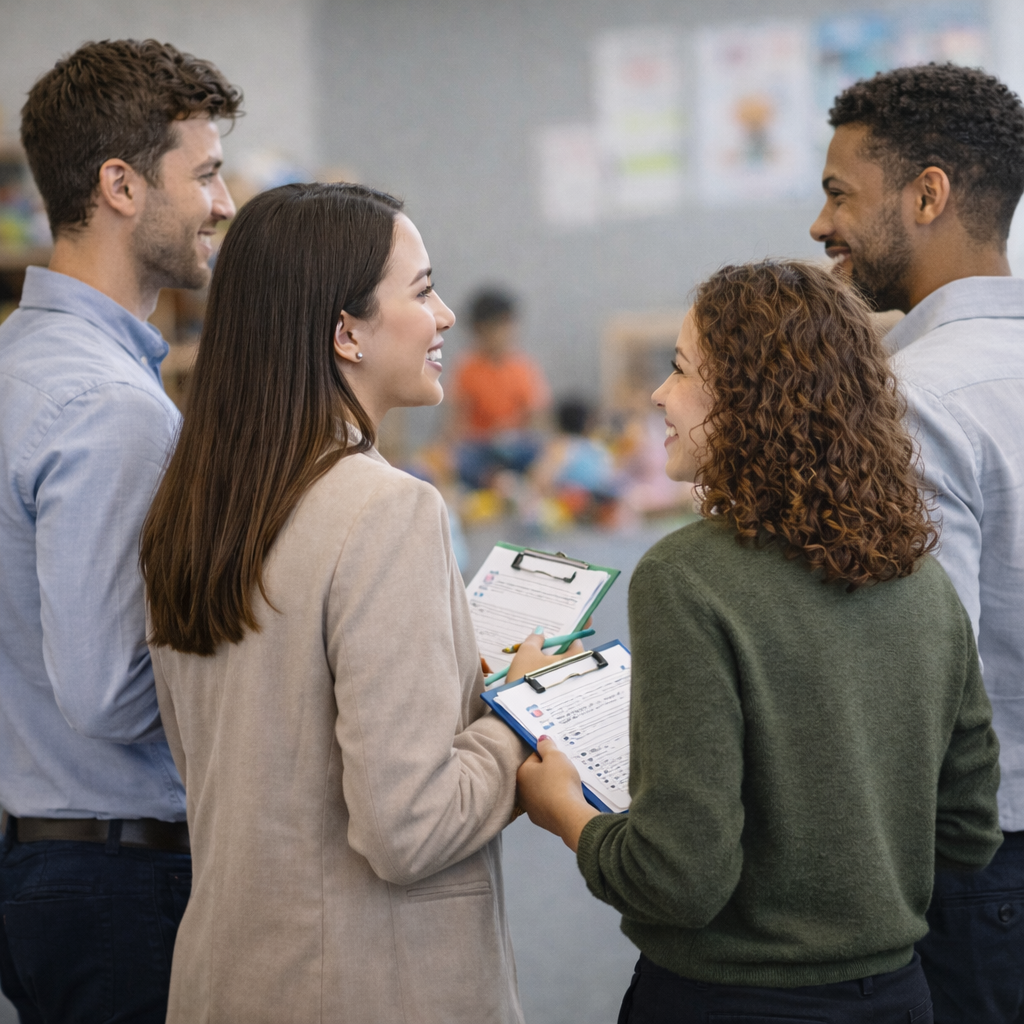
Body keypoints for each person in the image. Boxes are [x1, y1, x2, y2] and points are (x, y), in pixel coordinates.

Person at [515, 260, 1003, 1024]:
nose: (656, 395)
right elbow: (970, 830)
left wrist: (564, 811)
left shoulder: (686, 578)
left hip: (728, 1002)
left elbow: (678, 879)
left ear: (749, 401)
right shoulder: (923, 581)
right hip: (902, 997)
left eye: (679, 371)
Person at [140, 182, 576, 1024]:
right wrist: (516, 712)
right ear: (346, 332)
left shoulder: (194, 506)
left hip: (227, 973)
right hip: (369, 984)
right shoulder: (388, 511)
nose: (445, 316)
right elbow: (407, 830)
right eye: (420, 292)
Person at [0, 40, 239, 1023]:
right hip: (117, 875)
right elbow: (108, 692)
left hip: (48, 859)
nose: (223, 205)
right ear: (121, 185)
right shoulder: (112, 405)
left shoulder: (22, 360)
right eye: (208, 172)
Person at [811, 63, 1024, 1023]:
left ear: (927, 193)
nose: (821, 228)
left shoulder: (911, 400)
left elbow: (918, 691)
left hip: (983, 865)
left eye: (839, 194)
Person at [450, 287, 550, 488]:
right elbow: (457, 422)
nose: (506, 333)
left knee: (536, 453)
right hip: (482, 446)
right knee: (462, 459)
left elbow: (537, 418)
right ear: (479, 330)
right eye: (497, 327)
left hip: (515, 446)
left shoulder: (523, 367)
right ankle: (497, 481)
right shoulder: (468, 369)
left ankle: (509, 482)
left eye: (509, 326)